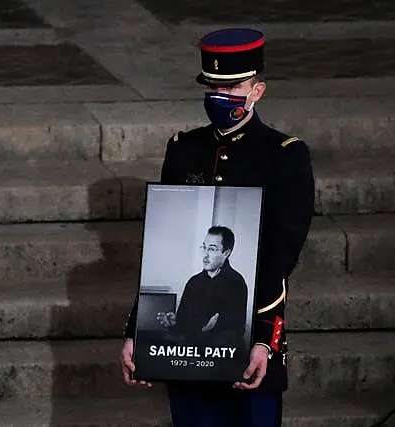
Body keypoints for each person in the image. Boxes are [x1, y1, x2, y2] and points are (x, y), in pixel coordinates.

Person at [120, 27, 315, 427]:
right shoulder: (183, 148)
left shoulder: (284, 156)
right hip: (189, 360)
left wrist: (264, 339)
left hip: (247, 345)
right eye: (212, 85)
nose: (220, 96)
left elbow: (280, 255)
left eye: (234, 86)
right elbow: (156, 244)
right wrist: (136, 330)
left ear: (257, 90)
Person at [156, 226, 248, 352]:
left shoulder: (236, 283)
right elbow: (183, 324)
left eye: (211, 249)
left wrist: (209, 329)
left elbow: (236, 331)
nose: (205, 254)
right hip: (190, 350)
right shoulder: (193, 282)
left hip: (220, 356)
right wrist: (174, 324)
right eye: (204, 247)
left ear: (226, 253)